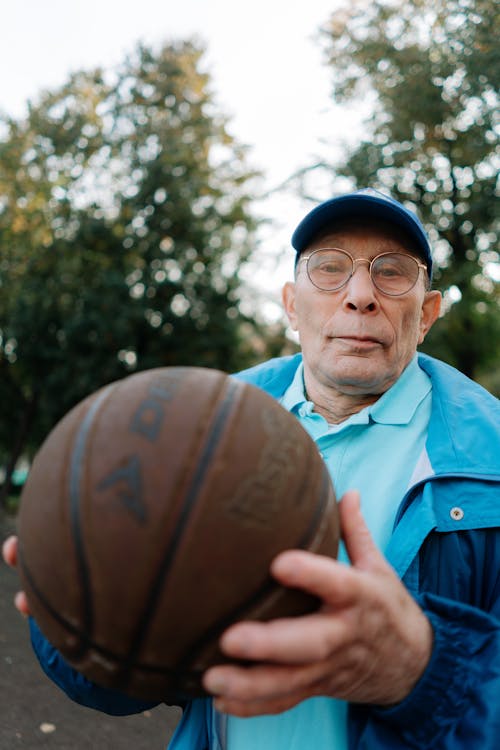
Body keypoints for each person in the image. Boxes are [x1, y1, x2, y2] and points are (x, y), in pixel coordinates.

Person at [3, 188, 500, 749]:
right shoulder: (187, 433)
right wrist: (84, 627)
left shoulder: (489, 465)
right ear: (291, 305)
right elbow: (118, 681)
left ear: (428, 313)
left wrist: (424, 673)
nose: (360, 295)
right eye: (330, 269)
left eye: (392, 273)